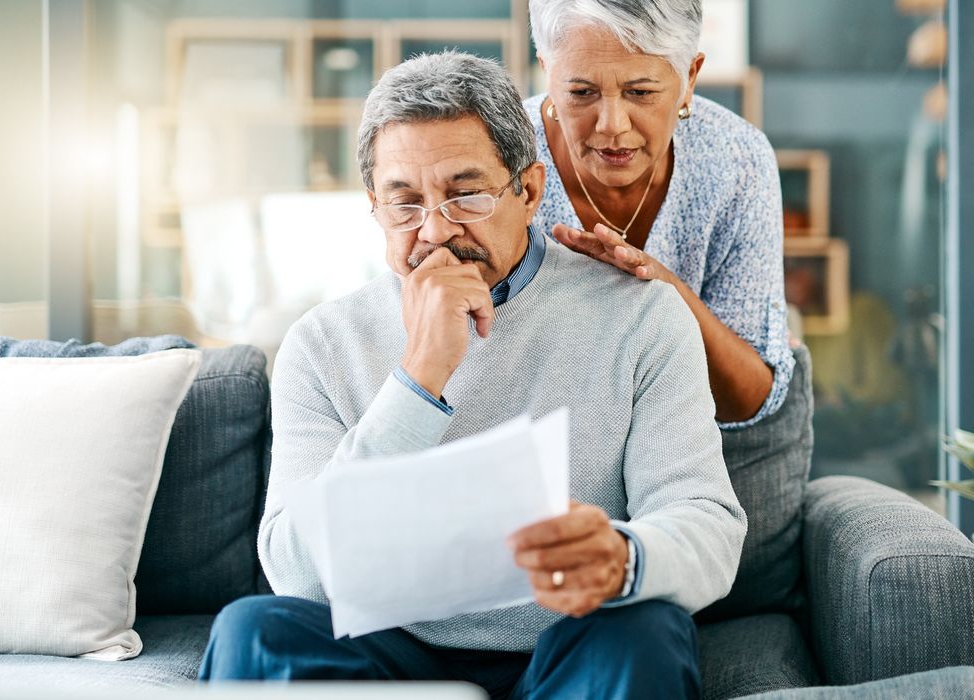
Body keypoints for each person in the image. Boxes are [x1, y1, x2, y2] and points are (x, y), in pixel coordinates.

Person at [196, 52, 746, 699]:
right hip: (390, 646)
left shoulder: (641, 315)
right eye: (403, 203)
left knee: (645, 630)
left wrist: (622, 558)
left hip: (575, 639)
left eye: (466, 194)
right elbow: (297, 573)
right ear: (374, 207)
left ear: (529, 190)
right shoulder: (321, 343)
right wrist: (419, 376)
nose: (435, 230)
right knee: (252, 632)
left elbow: (707, 527)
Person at [526, 0, 794, 427]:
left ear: (689, 78)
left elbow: (749, 399)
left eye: (640, 92)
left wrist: (664, 288)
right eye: (581, 92)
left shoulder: (736, 160)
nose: (612, 124)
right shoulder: (500, 157)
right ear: (547, 71)